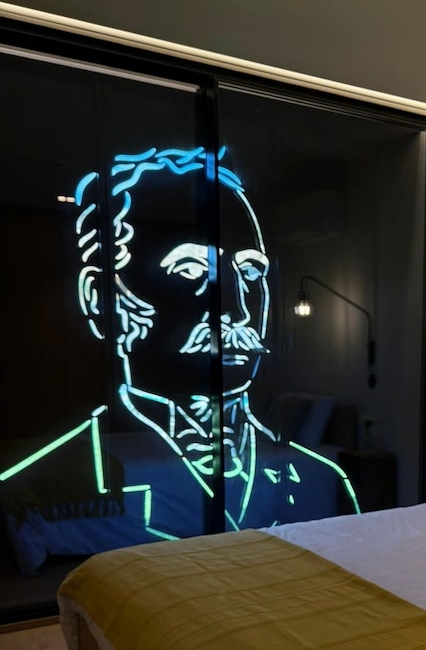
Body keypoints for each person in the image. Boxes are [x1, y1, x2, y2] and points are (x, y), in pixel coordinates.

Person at [0, 146, 358, 573]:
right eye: (191, 271)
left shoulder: (321, 474)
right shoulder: (54, 470)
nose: (237, 311)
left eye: (250, 273)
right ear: (101, 300)